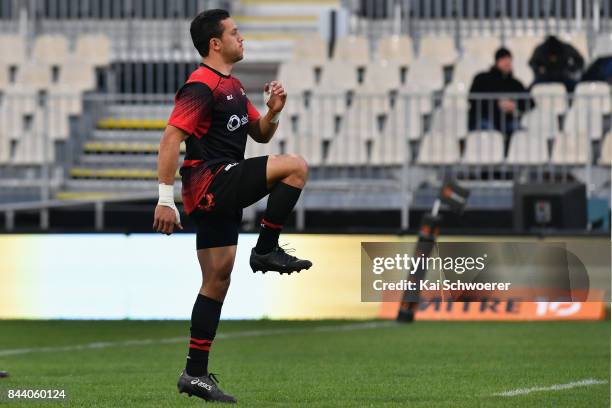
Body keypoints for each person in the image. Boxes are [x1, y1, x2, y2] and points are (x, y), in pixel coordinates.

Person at [153, 9, 312, 403]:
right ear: (215, 43)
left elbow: (259, 134)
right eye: (235, 33)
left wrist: (273, 111)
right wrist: (164, 198)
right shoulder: (200, 86)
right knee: (296, 168)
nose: (241, 38)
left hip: (219, 186)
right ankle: (266, 248)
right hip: (211, 182)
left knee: (217, 280)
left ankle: (195, 374)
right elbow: (171, 138)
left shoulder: (234, 86)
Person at [468, 47, 534, 150]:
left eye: (509, 60)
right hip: (484, 118)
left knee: (521, 133)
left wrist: (514, 106)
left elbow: (530, 102)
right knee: (488, 130)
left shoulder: (515, 83)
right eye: (503, 59)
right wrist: (497, 104)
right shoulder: (482, 78)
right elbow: (472, 99)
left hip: (507, 121)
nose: (507, 63)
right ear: (497, 61)